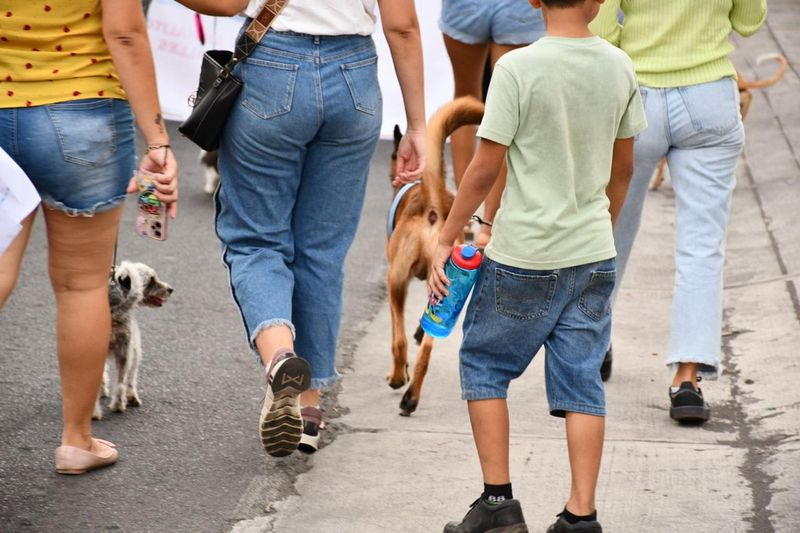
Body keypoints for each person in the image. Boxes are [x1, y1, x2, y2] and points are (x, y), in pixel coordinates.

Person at [429, 0, 646, 531]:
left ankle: (499, 505)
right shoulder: (618, 65)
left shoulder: (517, 69)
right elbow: (623, 168)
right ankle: (581, 514)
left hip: (524, 255)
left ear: (533, 1)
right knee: (582, 381)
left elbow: (484, 167)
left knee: (484, 365)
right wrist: (602, 227)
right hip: (593, 252)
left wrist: (447, 234)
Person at [174, 0, 425, 456]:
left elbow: (227, 2)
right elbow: (403, 27)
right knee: (322, 251)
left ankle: (281, 358)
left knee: (256, 239)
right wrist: (418, 125)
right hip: (354, 76)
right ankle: (308, 407)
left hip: (273, 66)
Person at [0, 1, 178, 474]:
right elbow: (124, 31)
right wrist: (158, 140)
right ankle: (77, 440)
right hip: (85, 109)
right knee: (81, 285)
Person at [590, 0, 767, 423]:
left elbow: (600, 26)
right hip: (710, 95)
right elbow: (749, 21)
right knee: (702, 244)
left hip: (638, 96)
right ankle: (687, 379)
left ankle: (595, 340)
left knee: (609, 229)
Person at [439, 0, 545, 248]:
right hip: (518, 6)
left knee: (465, 98)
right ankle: (488, 225)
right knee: (509, 106)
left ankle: (461, 220)